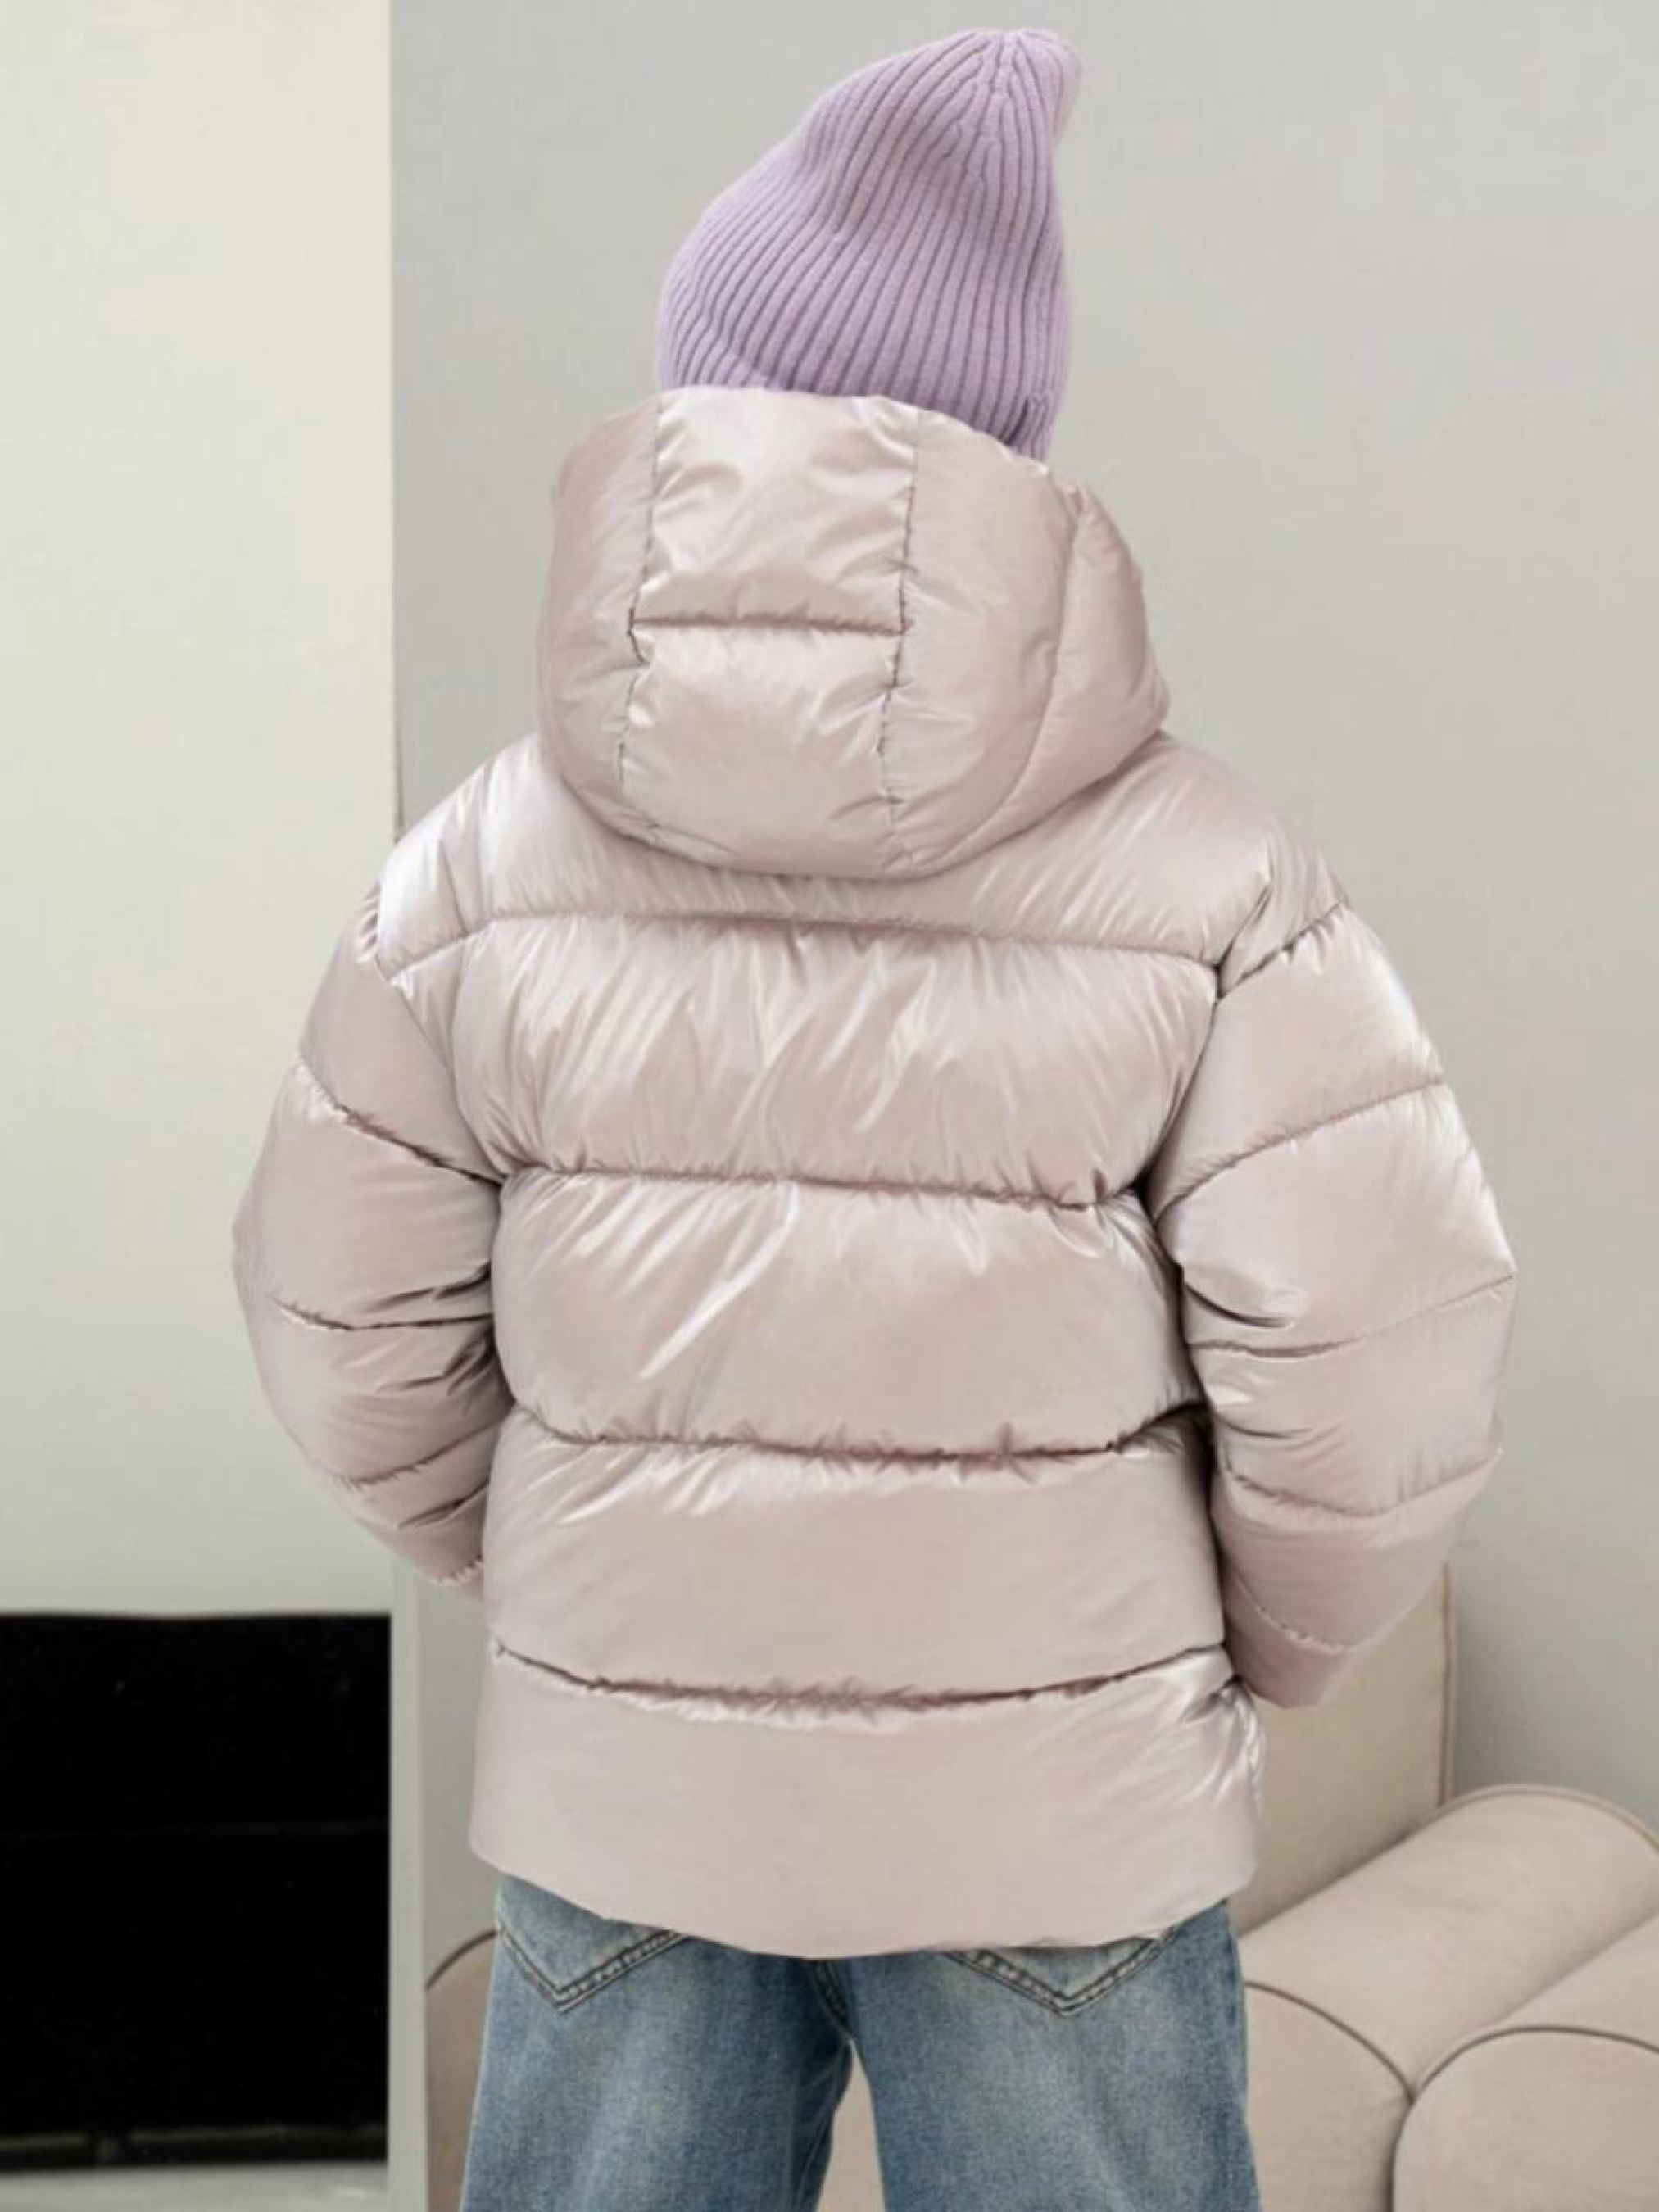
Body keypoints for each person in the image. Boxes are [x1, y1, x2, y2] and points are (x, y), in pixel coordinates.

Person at [233, 28, 1516, 2211]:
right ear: (1009, 431)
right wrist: (1238, 1651)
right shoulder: (1216, 878)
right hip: (1056, 1809)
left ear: (694, 391)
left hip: (626, 1789)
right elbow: (1380, 1358)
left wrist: (582, 1577)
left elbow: (337, 1319)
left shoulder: (469, 872)